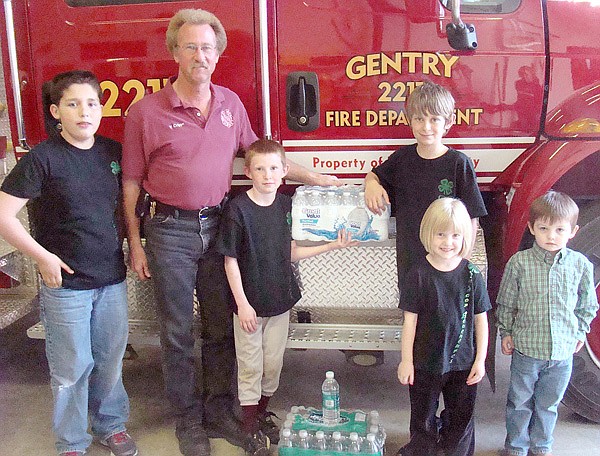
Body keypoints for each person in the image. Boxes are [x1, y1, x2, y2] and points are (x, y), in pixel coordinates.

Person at [121, 8, 339, 455]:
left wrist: (313, 177)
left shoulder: (230, 105)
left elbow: (263, 156)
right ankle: (188, 420)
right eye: (190, 47)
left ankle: (219, 410)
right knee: (177, 331)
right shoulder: (145, 112)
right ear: (174, 52)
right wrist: (134, 242)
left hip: (219, 226)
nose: (200, 55)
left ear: (217, 54)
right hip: (169, 230)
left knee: (220, 328)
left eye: (207, 47)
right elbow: (130, 183)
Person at [0, 71, 137, 456]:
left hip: (111, 279)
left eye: (92, 103)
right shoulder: (42, 159)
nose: (84, 111)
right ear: (56, 111)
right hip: (66, 287)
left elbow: (125, 208)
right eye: (73, 104)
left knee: (109, 362)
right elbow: (4, 215)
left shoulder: (112, 152)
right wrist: (43, 258)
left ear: (102, 108)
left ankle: (111, 425)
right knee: (71, 370)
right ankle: (72, 442)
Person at [216, 139, 357, 454]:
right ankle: (249, 429)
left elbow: (290, 251)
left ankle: (262, 413)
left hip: (280, 302)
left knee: (273, 364)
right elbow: (230, 260)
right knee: (251, 366)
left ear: (284, 172)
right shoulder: (238, 209)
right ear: (248, 172)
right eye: (261, 168)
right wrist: (242, 304)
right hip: (249, 307)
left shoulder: (286, 207)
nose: (268, 175)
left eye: (274, 168)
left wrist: (333, 245)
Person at [496, 191, 598, 456]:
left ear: (573, 231)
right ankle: (515, 446)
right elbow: (506, 301)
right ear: (532, 228)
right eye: (543, 228)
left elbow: (588, 305)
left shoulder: (581, 266)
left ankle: (541, 446)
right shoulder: (519, 263)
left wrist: (580, 330)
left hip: (562, 353)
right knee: (519, 402)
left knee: (548, 404)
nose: (551, 236)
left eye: (559, 229)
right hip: (527, 351)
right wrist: (505, 331)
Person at [364, 81, 487, 290]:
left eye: (434, 119)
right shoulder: (401, 159)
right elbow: (374, 176)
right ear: (409, 120)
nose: (426, 127)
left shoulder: (458, 163)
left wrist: (462, 261)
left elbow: (471, 217)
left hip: (447, 261)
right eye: (419, 118)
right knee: (411, 315)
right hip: (410, 262)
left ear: (448, 122)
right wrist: (371, 184)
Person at [397, 198, 490, 456]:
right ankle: (423, 448)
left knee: (461, 420)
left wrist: (480, 360)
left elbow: (481, 320)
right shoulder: (418, 275)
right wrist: (407, 361)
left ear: (465, 237)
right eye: (441, 234)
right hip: (425, 363)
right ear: (428, 233)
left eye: (455, 235)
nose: (448, 242)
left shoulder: (472, 275)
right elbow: (410, 322)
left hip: (463, 365)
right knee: (422, 418)